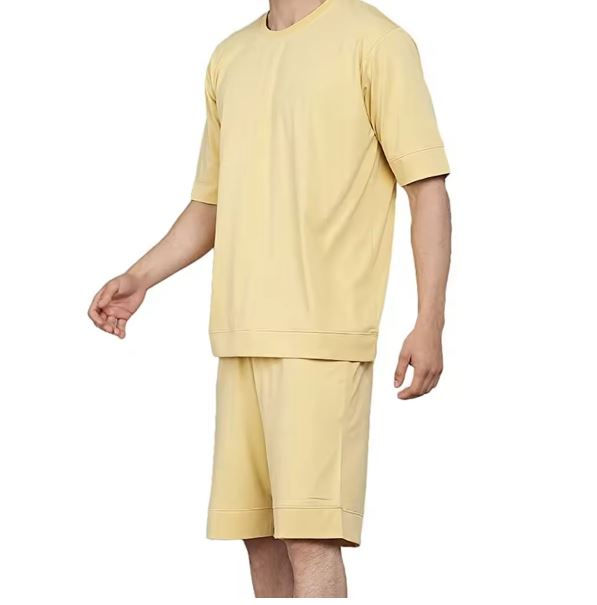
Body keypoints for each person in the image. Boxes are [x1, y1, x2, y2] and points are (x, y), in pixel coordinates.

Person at [88, 0, 451, 597]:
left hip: (323, 338)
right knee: (259, 539)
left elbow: (426, 187)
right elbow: (212, 201)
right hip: (238, 335)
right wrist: (142, 276)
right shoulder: (230, 56)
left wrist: (429, 320)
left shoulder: (377, 42)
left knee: (310, 539)